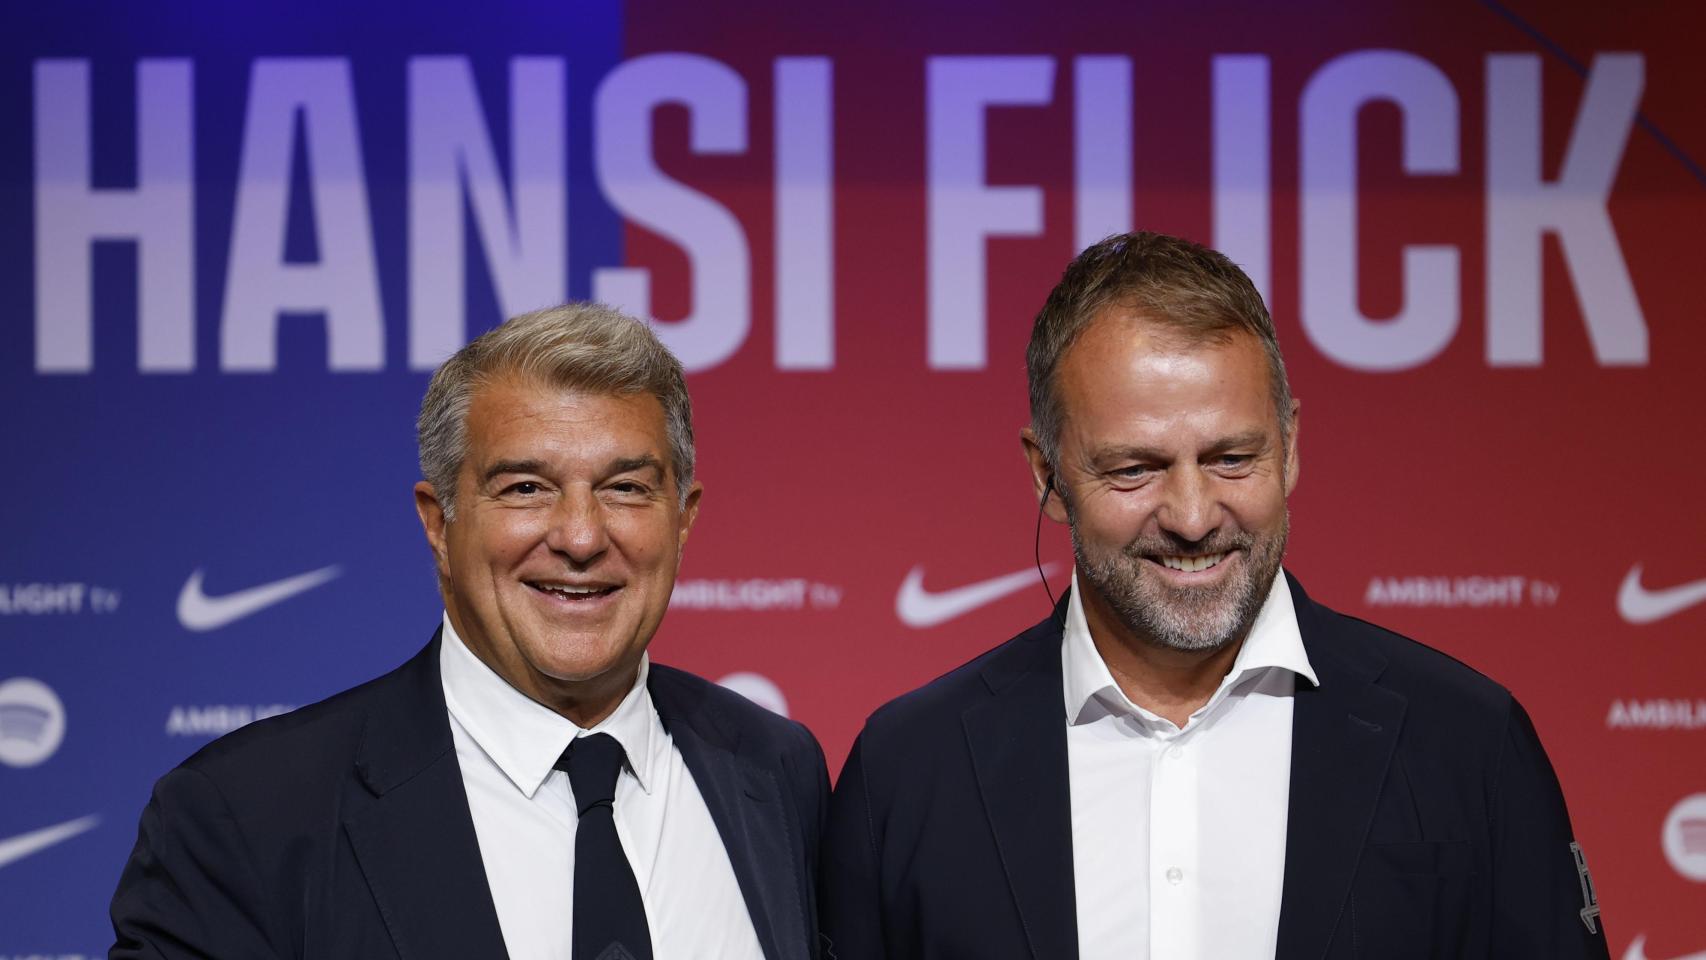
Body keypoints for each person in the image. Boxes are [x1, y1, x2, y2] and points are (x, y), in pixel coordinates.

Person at [820, 232, 1608, 959]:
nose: (1193, 517)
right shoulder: (908, 771)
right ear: (1047, 474)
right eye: (1135, 468)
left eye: (1232, 458)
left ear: (1289, 448)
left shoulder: (1469, 743)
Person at [110, 303, 830, 960]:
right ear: (438, 523)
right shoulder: (245, 816)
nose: (581, 536)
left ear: (683, 519)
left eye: (626, 488)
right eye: (526, 488)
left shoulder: (775, 769)